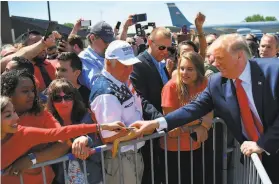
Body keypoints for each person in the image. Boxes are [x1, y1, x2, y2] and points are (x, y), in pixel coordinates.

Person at [130, 33, 279, 184]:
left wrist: (262, 144)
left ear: (239, 56)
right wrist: (156, 123)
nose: (215, 64)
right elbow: (193, 108)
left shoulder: (274, 71)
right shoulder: (217, 82)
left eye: (220, 59)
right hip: (257, 159)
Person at [0, 96, 125, 184]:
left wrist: (102, 126)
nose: (16, 118)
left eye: (14, 112)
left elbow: (61, 132)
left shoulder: (23, 133)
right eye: (8, 115)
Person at [89, 40, 144, 184]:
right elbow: (109, 136)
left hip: (128, 155)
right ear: (109, 62)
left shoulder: (118, 83)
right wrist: (142, 129)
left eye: (131, 64)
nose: (130, 69)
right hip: (120, 158)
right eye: (125, 65)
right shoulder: (105, 92)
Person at [0, 70, 68, 183]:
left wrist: (32, 159)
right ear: (9, 93)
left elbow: (65, 143)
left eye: (33, 90)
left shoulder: (42, 114)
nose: (31, 95)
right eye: (25, 91)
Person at [160, 51, 212, 184]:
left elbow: (209, 112)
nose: (184, 73)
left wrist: (204, 126)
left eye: (190, 69)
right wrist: (200, 122)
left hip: (196, 145)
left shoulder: (204, 83)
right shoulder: (171, 87)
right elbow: (171, 121)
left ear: (199, 70)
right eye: (182, 68)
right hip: (173, 148)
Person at [130, 27, 172, 184]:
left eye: (169, 48)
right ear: (149, 42)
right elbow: (140, 98)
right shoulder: (139, 64)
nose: (165, 52)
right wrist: (160, 120)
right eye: (161, 47)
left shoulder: (161, 64)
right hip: (151, 132)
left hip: (162, 131)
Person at [46, 79, 102, 184]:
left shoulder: (87, 118)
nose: (63, 102)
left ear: (74, 99)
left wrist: (86, 140)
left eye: (68, 97)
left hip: (92, 178)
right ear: (51, 102)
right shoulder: (47, 124)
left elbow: (100, 150)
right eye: (57, 98)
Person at [78, 21, 115, 89]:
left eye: (111, 41)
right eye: (106, 41)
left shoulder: (108, 54)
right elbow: (98, 85)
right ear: (92, 38)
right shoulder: (84, 58)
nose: (109, 45)